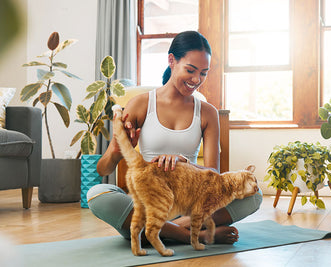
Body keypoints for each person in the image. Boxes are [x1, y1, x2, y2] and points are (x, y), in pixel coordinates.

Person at [86, 31, 262, 245]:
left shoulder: (207, 113)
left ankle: (153, 231)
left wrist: (184, 162)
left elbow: (214, 174)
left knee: (254, 195)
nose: (197, 80)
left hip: (190, 206)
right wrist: (115, 149)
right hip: (151, 201)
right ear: (171, 60)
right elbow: (103, 170)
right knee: (98, 193)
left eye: (204, 73)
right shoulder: (141, 105)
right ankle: (193, 235)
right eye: (190, 70)